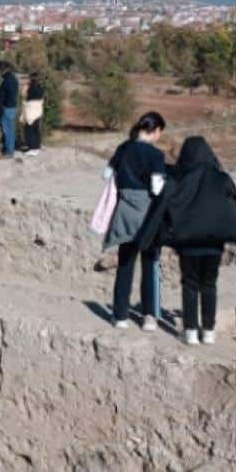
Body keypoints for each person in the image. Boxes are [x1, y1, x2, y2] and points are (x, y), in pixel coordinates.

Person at [136, 136, 236, 345]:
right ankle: (208, 331)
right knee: (209, 285)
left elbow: (161, 208)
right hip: (214, 243)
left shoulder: (178, 179)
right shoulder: (222, 178)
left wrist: (149, 238)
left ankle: (190, 332)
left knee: (189, 285)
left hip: (187, 244)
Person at [103, 111, 168, 331]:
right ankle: (149, 316)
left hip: (124, 210)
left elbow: (106, 173)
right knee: (150, 264)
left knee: (125, 263)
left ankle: (120, 316)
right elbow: (157, 187)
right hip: (147, 212)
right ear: (156, 130)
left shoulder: (123, 148)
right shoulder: (156, 155)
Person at [0, 60, 19, 157]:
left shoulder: (7, 81)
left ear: (3, 69)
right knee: (10, 129)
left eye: (0, 69)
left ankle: (9, 152)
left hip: (7, 108)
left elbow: (3, 96)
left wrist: (0, 104)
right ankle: (10, 149)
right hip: (12, 107)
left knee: (7, 130)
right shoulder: (14, 78)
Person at [22, 73, 45, 156]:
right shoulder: (40, 87)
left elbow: (24, 96)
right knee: (36, 130)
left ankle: (33, 148)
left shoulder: (29, 88)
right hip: (38, 111)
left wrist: (24, 88)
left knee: (29, 130)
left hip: (30, 111)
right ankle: (37, 145)